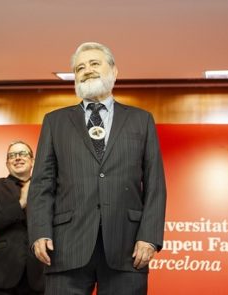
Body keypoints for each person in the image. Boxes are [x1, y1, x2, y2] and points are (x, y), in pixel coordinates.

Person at [27, 42, 167, 295]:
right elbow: (41, 184)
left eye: (94, 64)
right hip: (65, 246)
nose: (87, 70)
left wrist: (150, 237)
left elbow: (155, 184)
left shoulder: (141, 120)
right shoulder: (55, 121)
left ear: (114, 71)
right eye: (80, 67)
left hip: (127, 247)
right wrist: (39, 231)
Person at [0, 141, 45, 295]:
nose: (18, 158)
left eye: (23, 154)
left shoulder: (46, 188)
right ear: (7, 163)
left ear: (33, 161)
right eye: (12, 155)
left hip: (39, 275)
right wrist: (21, 203)